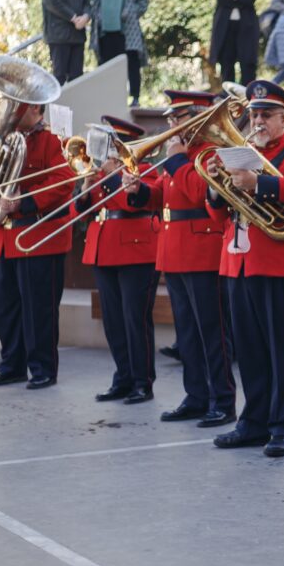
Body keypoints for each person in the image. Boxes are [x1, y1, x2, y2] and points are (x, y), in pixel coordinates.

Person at [208, 80, 284, 457]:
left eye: (266, 115)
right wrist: (215, 185)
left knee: (280, 349)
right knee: (250, 349)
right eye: (254, 114)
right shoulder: (240, 152)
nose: (257, 122)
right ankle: (253, 422)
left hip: (278, 263)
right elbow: (217, 211)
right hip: (238, 262)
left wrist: (260, 183)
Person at [123, 90, 237, 428]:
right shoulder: (180, 154)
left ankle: (222, 399)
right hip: (173, 252)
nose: (172, 125)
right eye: (170, 119)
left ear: (199, 117)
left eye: (179, 118)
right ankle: (196, 396)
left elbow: (201, 193)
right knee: (186, 332)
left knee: (211, 331)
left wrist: (176, 160)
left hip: (203, 251)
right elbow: (163, 195)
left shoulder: (210, 152)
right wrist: (139, 191)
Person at [0, 102, 73, 390]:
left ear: (34, 109)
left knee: (38, 309)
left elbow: (64, 180)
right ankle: (12, 365)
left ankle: (42, 367)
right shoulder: (0, 141)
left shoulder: (53, 139)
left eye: (17, 109)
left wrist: (25, 200)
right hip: (1, 238)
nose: (11, 115)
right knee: (6, 307)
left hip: (36, 237)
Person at [77, 116, 159, 404]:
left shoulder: (144, 169)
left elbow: (133, 203)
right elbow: (81, 211)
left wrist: (111, 175)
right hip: (103, 248)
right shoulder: (100, 173)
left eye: (112, 145)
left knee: (134, 318)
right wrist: (86, 185)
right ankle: (123, 377)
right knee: (113, 320)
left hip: (135, 250)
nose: (106, 152)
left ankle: (142, 381)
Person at [88, 0, 149, 107]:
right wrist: (99, 16)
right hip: (106, 34)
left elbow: (143, 3)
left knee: (132, 65)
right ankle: (109, 100)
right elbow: (93, 3)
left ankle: (135, 97)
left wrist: (130, 12)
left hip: (127, 33)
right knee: (108, 68)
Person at [210, 0, 259, 87]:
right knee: (227, 62)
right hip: (227, 28)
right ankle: (228, 97)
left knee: (247, 63)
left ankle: (247, 96)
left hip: (246, 28)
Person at [41, 0, 90, 85]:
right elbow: (52, 1)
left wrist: (86, 16)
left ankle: (76, 107)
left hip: (77, 38)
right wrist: (73, 18)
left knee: (77, 78)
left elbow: (87, 2)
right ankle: (58, 107)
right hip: (59, 37)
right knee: (59, 77)